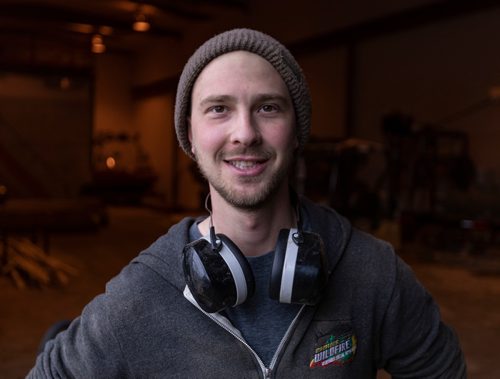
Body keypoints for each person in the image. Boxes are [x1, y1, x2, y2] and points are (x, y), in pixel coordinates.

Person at [28, 28, 466, 378]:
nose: (245, 133)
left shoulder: (371, 272)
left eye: (268, 107)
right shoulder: (143, 294)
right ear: (190, 139)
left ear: (297, 132)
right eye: (218, 109)